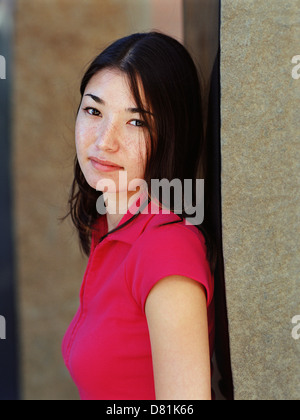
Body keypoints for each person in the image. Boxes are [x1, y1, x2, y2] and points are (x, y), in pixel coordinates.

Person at [62, 31, 216, 400]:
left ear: (170, 135)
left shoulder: (166, 250)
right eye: (94, 110)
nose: (103, 141)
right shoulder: (110, 228)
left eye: (136, 122)